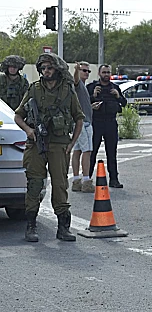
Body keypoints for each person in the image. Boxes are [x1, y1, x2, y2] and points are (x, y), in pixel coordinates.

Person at [14, 53, 84, 242]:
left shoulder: (67, 91)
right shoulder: (34, 89)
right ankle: (31, 226)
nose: (46, 71)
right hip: (36, 144)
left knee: (60, 185)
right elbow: (18, 115)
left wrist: (71, 143)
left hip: (59, 144)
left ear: (57, 70)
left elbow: (79, 117)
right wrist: (29, 130)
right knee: (34, 184)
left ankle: (63, 227)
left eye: (50, 68)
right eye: (43, 68)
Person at [88, 64, 127, 188]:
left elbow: (124, 103)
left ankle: (114, 179)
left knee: (112, 153)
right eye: (104, 72)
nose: (106, 75)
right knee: (92, 152)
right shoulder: (92, 87)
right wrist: (93, 96)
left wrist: (118, 96)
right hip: (96, 123)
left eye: (108, 72)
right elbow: (82, 104)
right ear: (99, 73)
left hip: (110, 122)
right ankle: (87, 179)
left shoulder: (115, 88)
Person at [70, 62, 95, 193]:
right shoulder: (78, 84)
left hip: (81, 122)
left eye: (88, 71)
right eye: (83, 70)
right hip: (83, 124)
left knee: (78, 151)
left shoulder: (83, 87)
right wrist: (75, 70)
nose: (86, 73)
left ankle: (76, 180)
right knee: (87, 151)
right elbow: (74, 80)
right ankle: (86, 180)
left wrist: (91, 107)